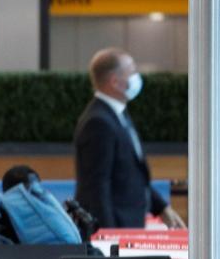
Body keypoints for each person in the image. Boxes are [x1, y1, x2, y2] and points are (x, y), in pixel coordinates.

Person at [74, 48, 184, 230]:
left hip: (128, 226)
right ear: (115, 82)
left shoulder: (118, 114)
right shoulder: (98, 122)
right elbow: (97, 188)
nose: (137, 77)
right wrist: (108, 237)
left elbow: (132, 173)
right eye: (132, 71)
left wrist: (161, 207)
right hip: (116, 229)